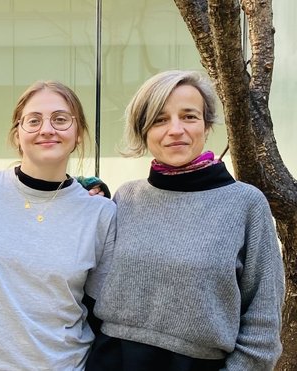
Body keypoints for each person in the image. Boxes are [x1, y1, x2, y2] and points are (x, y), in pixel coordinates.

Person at [87, 70, 284, 370]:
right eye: (160, 119)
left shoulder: (246, 204)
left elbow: (263, 322)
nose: (175, 130)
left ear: (206, 126)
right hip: (113, 360)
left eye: (189, 116)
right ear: (144, 131)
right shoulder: (126, 198)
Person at [0, 81, 116, 369]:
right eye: (33, 120)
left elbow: (102, 311)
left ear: (79, 134)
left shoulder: (100, 214)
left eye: (60, 119)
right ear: (17, 135)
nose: (47, 129)